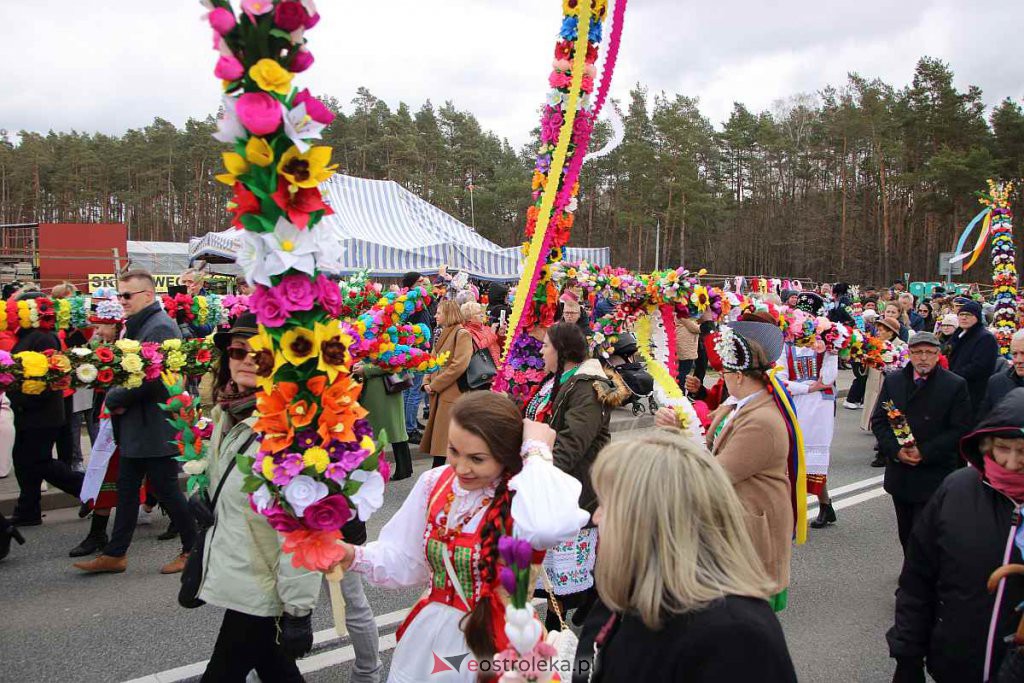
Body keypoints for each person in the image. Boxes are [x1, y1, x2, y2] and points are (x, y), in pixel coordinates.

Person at [338, 391, 589, 682]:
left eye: (477, 458)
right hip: (432, 632)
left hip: (505, 642)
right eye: (453, 450)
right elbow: (407, 559)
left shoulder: (524, 495)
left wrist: (535, 452)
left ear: (505, 455)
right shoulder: (435, 482)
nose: (460, 467)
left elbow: (550, 526)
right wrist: (352, 555)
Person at [580, 429, 798, 682]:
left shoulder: (735, 638)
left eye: (606, 505)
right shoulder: (620, 599)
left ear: (652, 522)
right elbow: (587, 670)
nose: (596, 517)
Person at [196, 314, 323, 682]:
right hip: (242, 576)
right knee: (274, 667)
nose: (248, 359)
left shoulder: (288, 430)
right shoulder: (228, 413)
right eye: (238, 351)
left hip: (264, 586)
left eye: (261, 352)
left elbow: (303, 529)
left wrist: (299, 611)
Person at [887, 389, 1024, 683]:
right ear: (987, 444)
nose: (1011, 463)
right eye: (1002, 448)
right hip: (958, 665)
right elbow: (917, 581)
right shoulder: (957, 490)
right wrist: (907, 656)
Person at [660, 321, 796, 611]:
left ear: (739, 375)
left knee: (744, 623)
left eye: (724, 372)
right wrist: (676, 427)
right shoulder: (739, 403)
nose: (722, 377)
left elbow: (715, 472)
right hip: (737, 519)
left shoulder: (760, 420)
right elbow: (706, 439)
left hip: (752, 524)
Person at [74, 270, 198, 575]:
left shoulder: (159, 327)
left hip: (153, 426)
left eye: (127, 295)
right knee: (127, 490)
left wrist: (114, 400)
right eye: (120, 295)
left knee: (167, 490)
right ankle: (115, 554)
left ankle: (193, 548)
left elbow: (150, 380)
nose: (122, 301)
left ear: (146, 295)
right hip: (136, 426)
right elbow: (127, 372)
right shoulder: (139, 325)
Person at [528, 322, 627, 630]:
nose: (541, 351)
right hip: (560, 483)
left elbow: (572, 443)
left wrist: (539, 473)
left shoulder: (585, 385)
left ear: (563, 351)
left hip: (576, 486)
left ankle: (568, 623)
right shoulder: (562, 379)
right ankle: (584, 607)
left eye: (546, 346)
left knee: (567, 569)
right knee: (559, 568)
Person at [871, 332, 972, 550]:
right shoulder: (894, 381)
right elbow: (879, 421)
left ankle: (921, 578)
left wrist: (924, 452)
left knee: (926, 535)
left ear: (937, 355)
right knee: (906, 532)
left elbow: (960, 429)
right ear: (909, 354)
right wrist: (896, 451)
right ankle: (913, 572)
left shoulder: (954, 385)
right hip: (901, 473)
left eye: (929, 352)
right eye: (917, 352)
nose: (923, 358)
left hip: (935, 472)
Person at [8, 290, 85, 526]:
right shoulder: (28, 335)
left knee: (38, 461)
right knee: (24, 461)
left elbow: (49, 378)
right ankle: (28, 509)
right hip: (29, 411)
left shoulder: (43, 337)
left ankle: (87, 490)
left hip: (41, 413)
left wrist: (22, 399)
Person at [780, 292, 840, 529]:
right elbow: (781, 377)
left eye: (809, 316)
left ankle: (821, 504)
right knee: (792, 455)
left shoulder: (828, 343)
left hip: (820, 406)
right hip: (798, 401)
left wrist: (831, 352)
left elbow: (828, 378)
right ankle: (808, 507)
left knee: (813, 457)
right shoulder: (787, 344)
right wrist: (805, 387)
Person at [421, 300, 473, 468]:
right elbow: (432, 360)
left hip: (451, 394)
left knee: (444, 443)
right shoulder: (443, 332)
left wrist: (434, 384)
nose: (436, 315)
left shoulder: (461, 333)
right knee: (441, 443)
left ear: (448, 314)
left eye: (439, 312)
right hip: (440, 393)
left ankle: (440, 480)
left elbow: (459, 365)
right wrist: (426, 381)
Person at [353, 356, 413, 481]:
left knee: (395, 431)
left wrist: (366, 369)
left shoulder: (391, 338)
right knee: (391, 430)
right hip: (380, 391)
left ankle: (403, 468)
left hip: (386, 391)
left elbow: (394, 361)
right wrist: (362, 364)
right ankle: (403, 468)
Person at [947, 299, 999, 422]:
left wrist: (952, 376)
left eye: (968, 315)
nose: (964, 318)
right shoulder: (959, 334)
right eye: (961, 315)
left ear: (977, 317)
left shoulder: (985, 338)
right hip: (956, 387)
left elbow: (980, 367)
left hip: (973, 392)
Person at [400, 271, 432, 444]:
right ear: (411, 284)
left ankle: (408, 423)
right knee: (414, 391)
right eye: (420, 282)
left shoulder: (411, 300)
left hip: (411, 350)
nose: (424, 284)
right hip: (416, 351)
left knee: (408, 390)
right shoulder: (414, 301)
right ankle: (410, 429)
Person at [979, 329, 1024, 418]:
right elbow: (984, 423)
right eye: (1014, 354)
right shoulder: (997, 382)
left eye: (1023, 354)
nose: (1018, 360)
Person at [459, 301, 500, 366]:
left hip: (496, 365)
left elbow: (496, 344)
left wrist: (500, 334)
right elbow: (477, 348)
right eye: (478, 313)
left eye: (481, 312)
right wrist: (492, 334)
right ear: (469, 318)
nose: (482, 315)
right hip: (485, 369)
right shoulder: (467, 332)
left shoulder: (485, 327)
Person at [674, 308, 701, 384]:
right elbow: (695, 328)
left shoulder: (681, 314)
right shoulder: (682, 315)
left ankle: (679, 388)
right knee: (684, 371)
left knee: (683, 369)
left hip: (685, 345)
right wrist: (704, 325)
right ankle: (680, 389)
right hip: (685, 346)